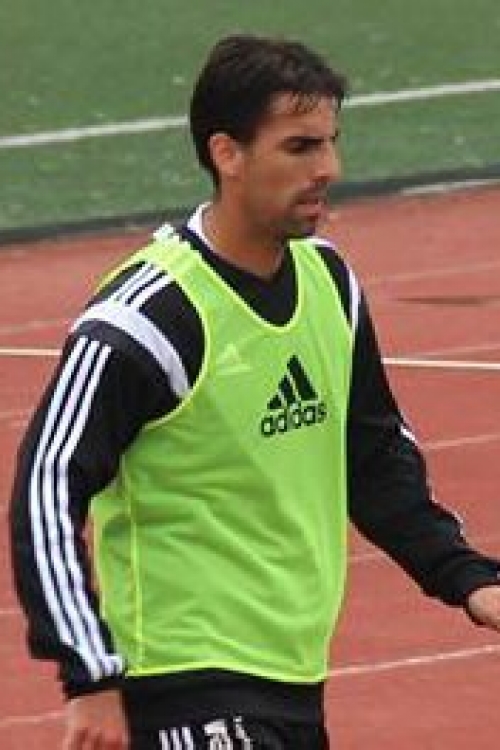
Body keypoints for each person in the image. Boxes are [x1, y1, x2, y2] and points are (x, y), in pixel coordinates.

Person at [9, 33, 500, 750]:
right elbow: (47, 484)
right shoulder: (151, 315)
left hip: (292, 677)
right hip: (183, 681)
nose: (329, 169)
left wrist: (467, 577)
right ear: (227, 153)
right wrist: (90, 673)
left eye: (330, 143)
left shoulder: (330, 283)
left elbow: (371, 460)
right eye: (299, 148)